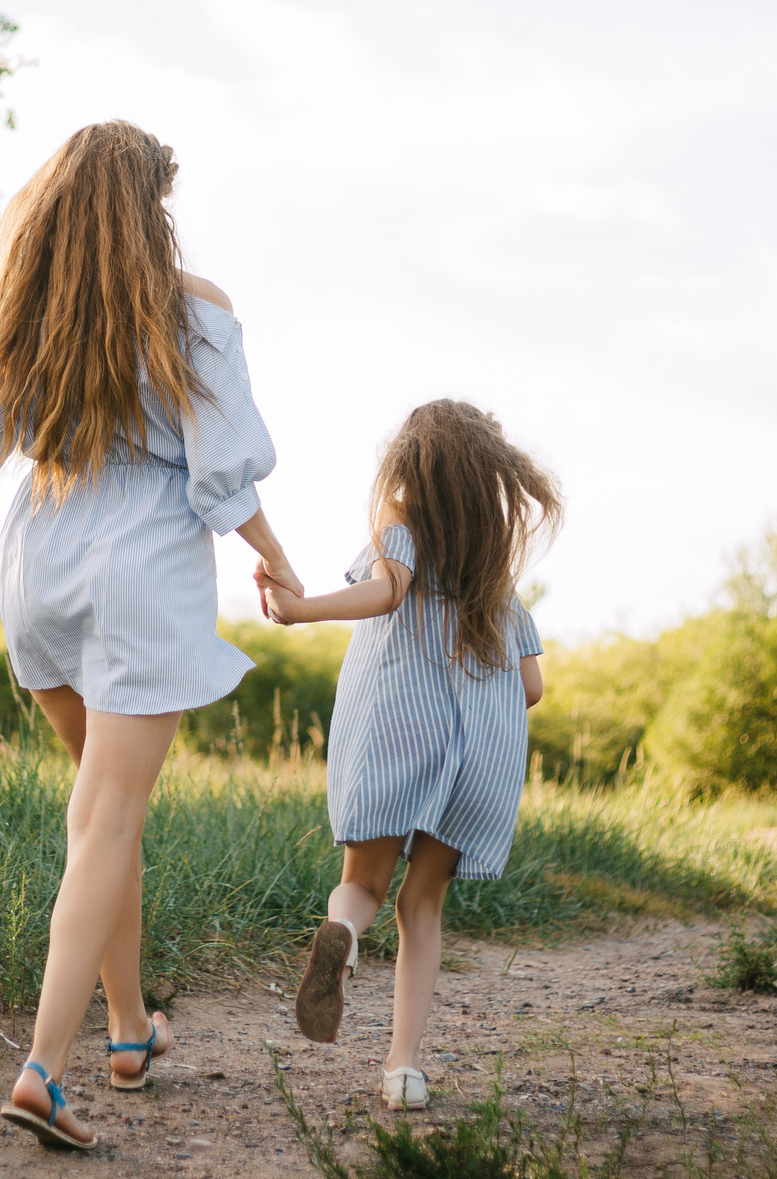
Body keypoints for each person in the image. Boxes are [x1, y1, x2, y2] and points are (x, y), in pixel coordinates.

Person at [0, 121, 301, 1153]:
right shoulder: (197, 310)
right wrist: (277, 561)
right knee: (105, 822)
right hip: (144, 559)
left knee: (106, 817)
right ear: (149, 206)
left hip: (41, 562)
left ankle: (125, 1029)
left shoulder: (18, 312)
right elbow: (220, 475)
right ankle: (41, 1071)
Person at [260, 399, 559, 1110]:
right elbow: (533, 686)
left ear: (412, 471)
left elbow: (389, 588)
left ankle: (343, 933)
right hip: (478, 755)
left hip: (401, 725)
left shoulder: (400, 524)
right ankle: (403, 1069)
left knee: (363, 886)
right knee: (422, 905)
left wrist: (299, 609)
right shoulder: (496, 580)